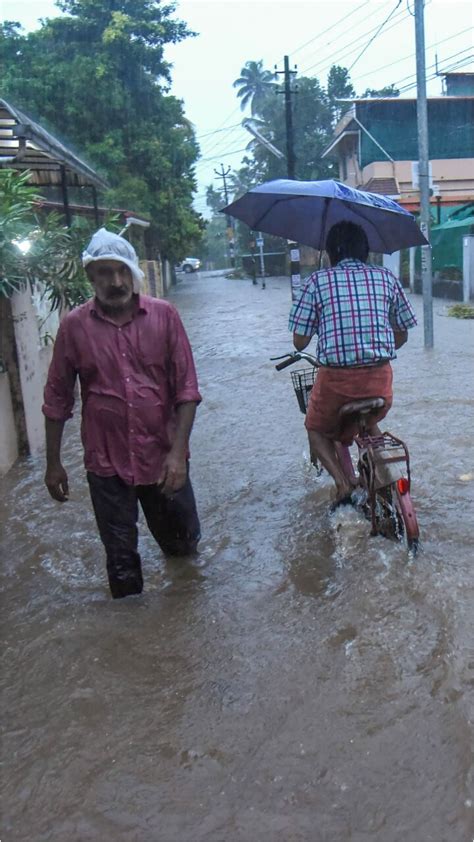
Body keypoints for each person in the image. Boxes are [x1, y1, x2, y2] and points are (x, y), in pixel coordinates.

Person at [43, 228, 202, 599]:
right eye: (105, 272)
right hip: (106, 464)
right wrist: (53, 464)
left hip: (164, 459)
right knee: (121, 564)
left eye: (122, 271)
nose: (115, 282)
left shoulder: (165, 316)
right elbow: (57, 398)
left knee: (183, 552)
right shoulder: (74, 328)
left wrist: (178, 455)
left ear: (133, 272)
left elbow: (187, 391)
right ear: (90, 276)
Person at [288, 220, 417, 504]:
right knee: (369, 421)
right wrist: (374, 346)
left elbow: (299, 343)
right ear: (365, 250)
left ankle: (343, 483)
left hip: (337, 383)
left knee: (315, 428)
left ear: (331, 252)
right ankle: (388, 477)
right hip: (380, 383)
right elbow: (403, 334)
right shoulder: (386, 278)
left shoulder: (317, 281)